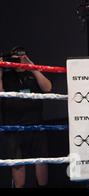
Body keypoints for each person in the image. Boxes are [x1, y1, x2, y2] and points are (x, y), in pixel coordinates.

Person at [0, 46, 52, 188]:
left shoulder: (32, 74)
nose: (18, 59)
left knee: (41, 161)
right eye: (15, 56)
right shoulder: (6, 75)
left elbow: (48, 88)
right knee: (17, 165)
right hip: (14, 127)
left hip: (36, 125)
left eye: (20, 56)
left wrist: (32, 66)